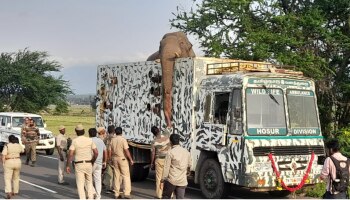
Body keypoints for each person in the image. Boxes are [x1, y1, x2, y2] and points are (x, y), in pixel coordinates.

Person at [66, 124, 98, 199]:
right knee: (89, 183)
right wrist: (92, 161)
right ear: (84, 131)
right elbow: (96, 153)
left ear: (76, 132)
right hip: (88, 163)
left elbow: (70, 154)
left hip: (79, 164)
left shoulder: (75, 141)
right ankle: (91, 198)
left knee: (80, 185)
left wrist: (67, 165)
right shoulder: (90, 140)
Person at [161, 134, 192, 199]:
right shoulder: (186, 152)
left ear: (170, 142)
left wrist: (163, 178)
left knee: (166, 197)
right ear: (179, 141)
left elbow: (166, 167)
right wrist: (187, 173)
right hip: (182, 181)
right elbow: (189, 165)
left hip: (171, 180)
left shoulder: (170, 152)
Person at [108, 127, 134, 199]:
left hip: (114, 159)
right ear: (121, 132)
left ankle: (116, 193)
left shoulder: (112, 140)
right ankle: (126, 193)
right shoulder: (123, 140)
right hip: (122, 159)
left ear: (115, 133)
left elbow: (109, 150)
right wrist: (131, 159)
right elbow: (126, 150)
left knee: (116, 176)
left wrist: (110, 159)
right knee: (126, 176)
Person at [150, 126, 170, 198]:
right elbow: (169, 126)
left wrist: (152, 163)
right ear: (159, 130)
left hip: (159, 160)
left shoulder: (154, 141)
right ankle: (169, 194)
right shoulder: (166, 136)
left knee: (159, 178)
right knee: (168, 178)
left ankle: (159, 195)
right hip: (167, 160)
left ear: (153, 133)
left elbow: (153, 153)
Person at [89, 128, 107, 199]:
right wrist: (105, 161)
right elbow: (105, 151)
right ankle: (98, 196)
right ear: (96, 133)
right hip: (99, 163)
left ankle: (93, 191)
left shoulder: (89, 141)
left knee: (88, 178)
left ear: (89, 134)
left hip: (92, 162)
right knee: (98, 180)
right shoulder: (100, 141)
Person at [103, 125, 117, 194]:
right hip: (114, 157)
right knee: (115, 173)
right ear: (114, 131)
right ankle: (114, 188)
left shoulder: (106, 138)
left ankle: (108, 187)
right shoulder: (114, 138)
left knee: (109, 173)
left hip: (108, 157)